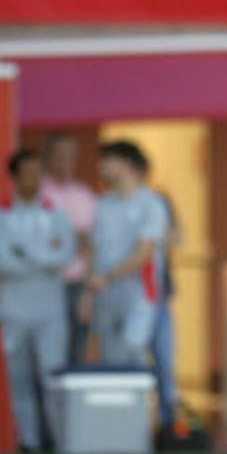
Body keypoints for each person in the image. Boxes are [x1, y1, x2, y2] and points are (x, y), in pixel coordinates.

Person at [0, 150, 74, 454]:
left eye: (38, 173)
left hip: (50, 309)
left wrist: (27, 253)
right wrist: (42, 260)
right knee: (19, 377)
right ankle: (30, 441)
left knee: (53, 374)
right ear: (14, 176)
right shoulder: (0, 215)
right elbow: (3, 263)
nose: (33, 180)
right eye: (27, 173)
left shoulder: (56, 213)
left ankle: (60, 440)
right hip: (13, 309)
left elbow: (63, 256)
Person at [79, 141, 169, 366]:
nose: (101, 167)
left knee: (133, 348)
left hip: (139, 292)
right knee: (110, 357)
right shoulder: (104, 204)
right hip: (105, 294)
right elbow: (93, 249)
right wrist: (88, 290)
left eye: (108, 161)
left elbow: (144, 252)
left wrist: (107, 276)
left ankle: (141, 401)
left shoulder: (151, 204)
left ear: (127, 164)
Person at [41, 134, 97, 364]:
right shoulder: (38, 193)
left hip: (77, 284)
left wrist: (88, 291)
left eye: (70, 156)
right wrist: (75, 238)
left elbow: (92, 244)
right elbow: (40, 241)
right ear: (48, 158)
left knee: (77, 348)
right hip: (46, 283)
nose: (65, 161)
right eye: (59, 156)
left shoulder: (85, 196)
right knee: (48, 352)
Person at [151, 189, 183, 437]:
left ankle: (169, 424)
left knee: (164, 360)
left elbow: (177, 236)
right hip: (133, 298)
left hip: (159, 297)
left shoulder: (158, 200)